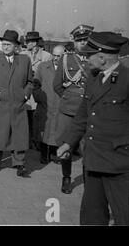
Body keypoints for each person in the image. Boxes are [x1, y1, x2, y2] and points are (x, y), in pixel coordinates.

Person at [57, 32, 129, 226]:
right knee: (92, 217)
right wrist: (67, 142)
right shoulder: (93, 79)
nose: (85, 59)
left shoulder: (126, 80)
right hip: (94, 160)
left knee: (124, 217)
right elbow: (82, 116)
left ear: (102, 58)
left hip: (119, 164)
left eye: (89, 55)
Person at [0, 30, 33, 177]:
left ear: (16, 46)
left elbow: (30, 82)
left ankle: (19, 164)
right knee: (0, 134)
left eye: (9, 44)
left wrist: (25, 94)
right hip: (1, 104)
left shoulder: (24, 60)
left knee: (19, 135)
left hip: (18, 104)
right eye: (4, 44)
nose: (5, 47)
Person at [53, 24, 94, 193]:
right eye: (79, 40)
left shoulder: (96, 60)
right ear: (74, 42)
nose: (83, 43)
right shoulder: (65, 59)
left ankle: (88, 181)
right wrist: (69, 97)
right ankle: (66, 177)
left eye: (86, 40)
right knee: (65, 146)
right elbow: (57, 85)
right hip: (68, 111)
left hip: (88, 112)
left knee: (88, 149)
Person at [33, 45, 65, 163]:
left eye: (59, 56)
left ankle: (55, 154)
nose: (56, 58)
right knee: (44, 130)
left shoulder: (67, 69)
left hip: (60, 105)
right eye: (54, 55)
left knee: (57, 130)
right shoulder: (43, 67)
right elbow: (35, 85)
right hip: (45, 104)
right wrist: (39, 98)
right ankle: (43, 155)